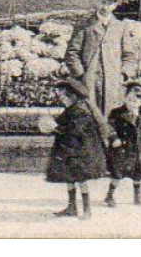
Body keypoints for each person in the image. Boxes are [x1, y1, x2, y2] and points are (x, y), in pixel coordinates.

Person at [64, 0, 139, 117]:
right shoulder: (85, 25)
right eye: (103, 2)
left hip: (113, 81)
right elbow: (72, 53)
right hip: (89, 80)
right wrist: (81, 74)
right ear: (97, 0)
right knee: (89, 115)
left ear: (115, 5)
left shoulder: (121, 27)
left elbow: (130, 56)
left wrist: (123, 74)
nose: (106, 7)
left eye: (110, 3)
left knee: (111, 118)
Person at [45, 79, 107, 219]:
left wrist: (56, 128)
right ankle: (72, 207)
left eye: (63, 97)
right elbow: (62, 125)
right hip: (69, 150)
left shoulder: (80, 112)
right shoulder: (70, 110)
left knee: (81, 180)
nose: (61, 100)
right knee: (69, 179)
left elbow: (75, 130)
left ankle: (87, 210)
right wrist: (52, 128)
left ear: (72, 96)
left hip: (79, 152)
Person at [104, 82, 141, 206]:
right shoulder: (117, 113)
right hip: (122, 149)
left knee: (138, 174)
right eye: (130, 99)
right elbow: (109, 127)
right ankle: (109, 196)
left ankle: (137, 196)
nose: (132, 103)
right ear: (125, 99)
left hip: (138, 149)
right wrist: (114, 138)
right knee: (117, 174)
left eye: (136, 101)